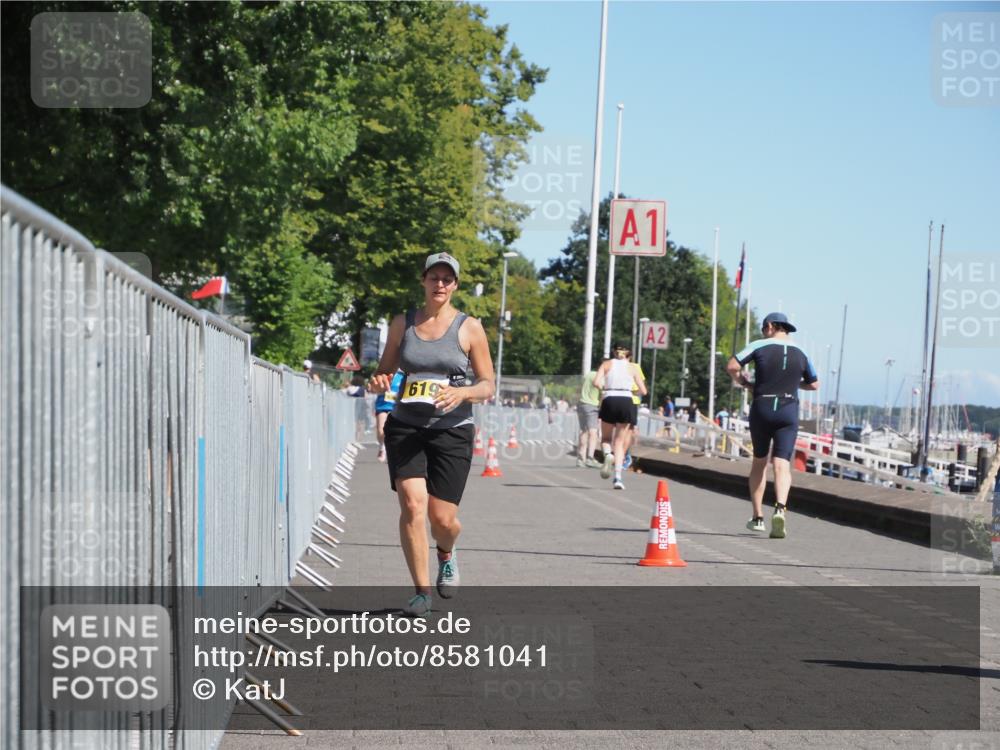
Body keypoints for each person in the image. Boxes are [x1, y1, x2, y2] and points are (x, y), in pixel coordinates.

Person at [368, 252, 495, 617]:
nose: (440, 284)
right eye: (434, 277)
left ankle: (447, 553)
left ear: (455, 285)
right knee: (412, 505)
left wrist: (462, 392)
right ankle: (421, 591)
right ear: (423, 280)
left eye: (447, 279)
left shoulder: (469, 328)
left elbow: (488, 385)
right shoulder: (402, 324)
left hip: (452, 430)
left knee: (443, 520)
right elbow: (385, 372)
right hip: (406, 425)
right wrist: (379, 380)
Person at [727, 312, 819, 539]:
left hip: (763, 406)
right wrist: (794, 384)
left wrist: (746, 383)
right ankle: (780, 508)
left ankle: (757, 517)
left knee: (759, 462)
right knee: (782, 464)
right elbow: (815, 384)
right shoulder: (802, 351)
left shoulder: (759, 345)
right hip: (788, 409)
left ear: (769, 326)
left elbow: (732, 366)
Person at [593, 343, 647, 490]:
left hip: (610, 398)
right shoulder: (633, 367)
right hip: (626, 400)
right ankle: (618, 478)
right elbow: (643, 390)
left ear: (613, 351)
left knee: (605, 438)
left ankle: (607, 454)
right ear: (628, 353)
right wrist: (631, 392)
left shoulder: (606, 364)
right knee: (619, 441)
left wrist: (605, 388)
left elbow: (596, 382)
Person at [374, 370, 404, 463]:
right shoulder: (384, 373)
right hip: (383, 406)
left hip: (398, 407)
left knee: (397, 432)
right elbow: (373, 387)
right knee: (381, 430)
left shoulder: (403, 376)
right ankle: (382, 447)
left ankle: (396, 451)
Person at [576, 370, 602, 468]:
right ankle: (590, 458)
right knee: (593, 432)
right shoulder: (601, 378)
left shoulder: (590, 374)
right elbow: (603, 392)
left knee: (584, 431)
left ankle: (580, 458)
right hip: (591, 405)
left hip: (581, 404)